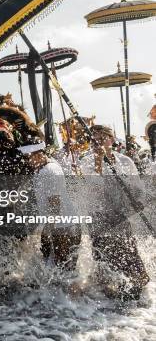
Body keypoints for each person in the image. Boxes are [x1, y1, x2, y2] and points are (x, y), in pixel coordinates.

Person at [79, 125, 150, 300]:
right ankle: (105, 299)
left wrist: (138, 202)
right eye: (94, 139)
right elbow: (95, 187)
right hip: (98, 216)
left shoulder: (125, 161)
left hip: (120, 215)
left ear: (111, 139)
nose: (98, 142)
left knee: (131, 257)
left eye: (102, 138)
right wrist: (98, 161)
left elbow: (138, 188)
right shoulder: (86, 161)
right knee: (103, 260)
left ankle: (138, 292)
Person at [20, 137, 80, 270]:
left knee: (63, 270)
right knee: (55, 268)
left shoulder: (49, 171)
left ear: (38, 154)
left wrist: (48, 229)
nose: (26, 161)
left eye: (28, 157)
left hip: (63, 226)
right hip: (60, 225)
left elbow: (55, 203)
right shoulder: (42, 169)